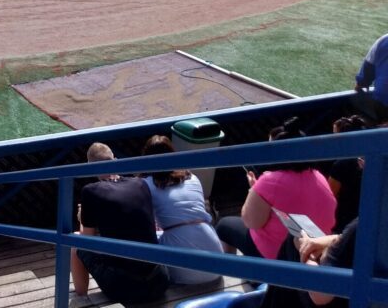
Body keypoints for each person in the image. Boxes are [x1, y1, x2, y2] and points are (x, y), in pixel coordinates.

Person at [216, 117, 336, 260]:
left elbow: (251, 222)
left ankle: (247, 271)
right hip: (315, 250)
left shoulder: (269, 181)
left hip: (281, 254)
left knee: (224, 225)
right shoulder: (318, 176)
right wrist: (259, 190)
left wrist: (253, 190)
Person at [71, 142, 169, 305]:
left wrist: (82, 219)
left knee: (75, 244)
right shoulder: (140, 184)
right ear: (115, 160)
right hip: (159, 281)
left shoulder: (91, 191)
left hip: (125, 288)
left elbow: (87, 242)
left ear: (89, 167)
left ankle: (81, 299)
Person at [141, 135, 224, 284]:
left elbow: (145, 224)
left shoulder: (146, 184)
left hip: (187, 273)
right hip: (216, 263)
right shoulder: (192, 177)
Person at [326, 114, 367, 234]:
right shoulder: (370, 158)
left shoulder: (342, 164)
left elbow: (330, 196)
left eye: (335, 135)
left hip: (344, 225)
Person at [354, 32, 388, 117]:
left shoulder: (384, 39)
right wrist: (362, 83)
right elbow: (369, 66)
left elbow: (368, 66)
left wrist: (362, 83)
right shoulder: (384, 40)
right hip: (380, 103)